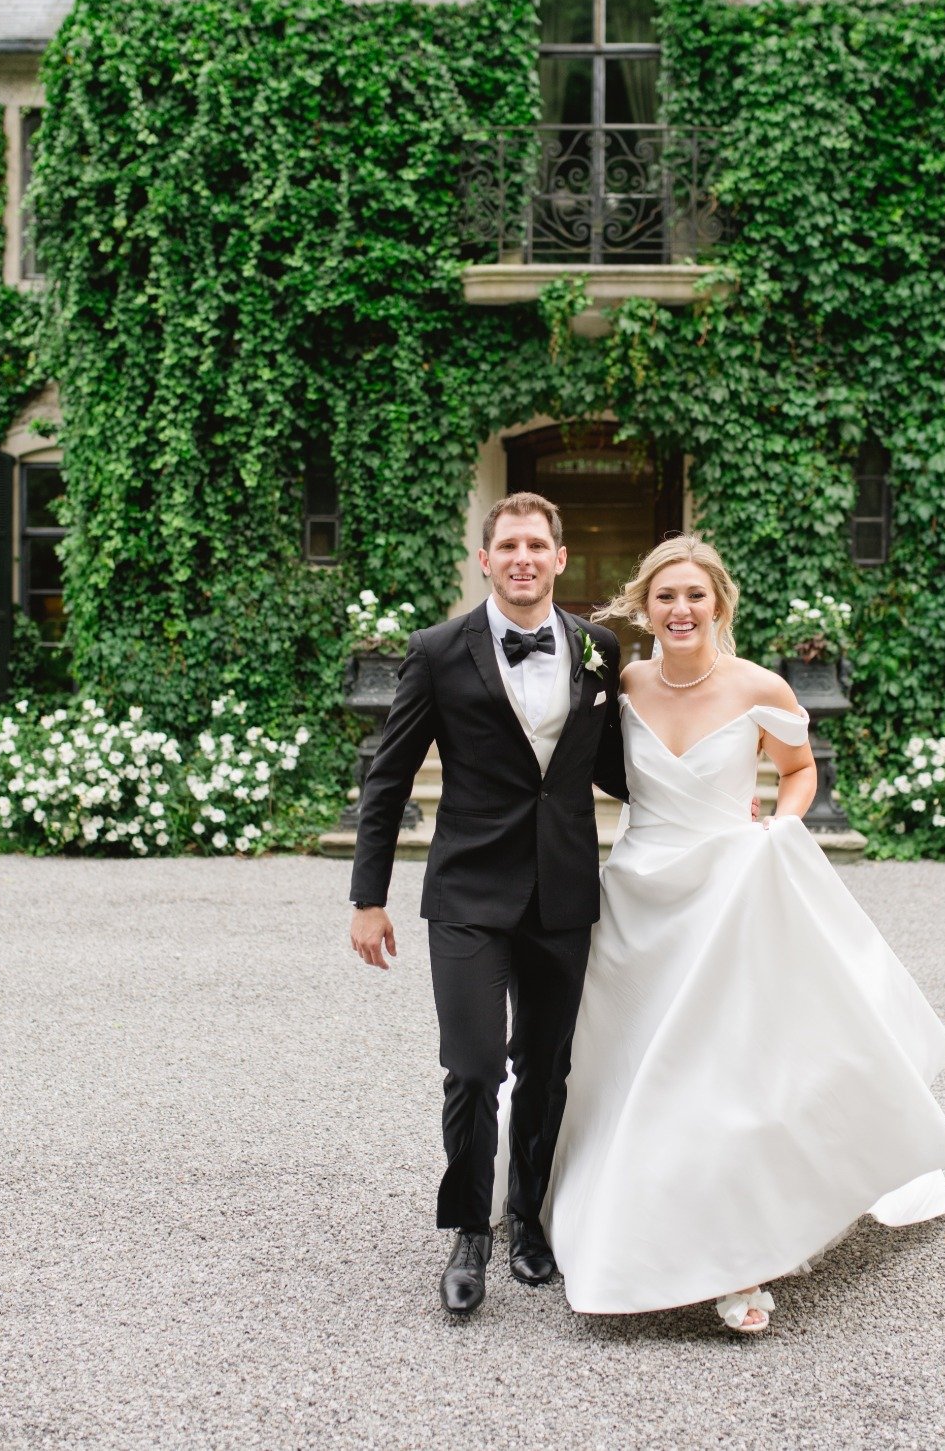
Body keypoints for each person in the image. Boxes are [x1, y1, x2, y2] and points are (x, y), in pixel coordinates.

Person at [495, 534, 945, 1333]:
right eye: (665, 597)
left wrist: (779, 833)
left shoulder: (760, 685)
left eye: (695, 596)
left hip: (728, 893)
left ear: (719, 602)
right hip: (639, 897)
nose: (681, 610)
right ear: (644, 607)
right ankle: (603, 1211)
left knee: (722, 1074)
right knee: (625, 1071)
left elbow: (800, 770)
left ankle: (739, 1261)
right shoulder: (625, 680)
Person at [348, 492, 627, 1317]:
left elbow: (617, 767)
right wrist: (369, 897)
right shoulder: (437, 651)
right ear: (485, 558)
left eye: (537, 544)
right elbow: (388, 776)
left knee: (546, 1071)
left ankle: (529, 1221)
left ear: (560, 557)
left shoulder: (599, 648)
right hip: (468, 890)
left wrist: (710, 791)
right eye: (508, 545)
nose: (523, 558)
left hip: (564, 892)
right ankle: (470, 1228)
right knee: (472, 1069)